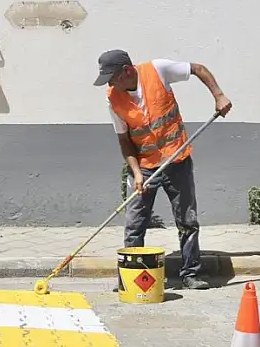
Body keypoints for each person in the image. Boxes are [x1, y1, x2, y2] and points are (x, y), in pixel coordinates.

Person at [93, 49, 232, 291]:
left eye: (113, 77)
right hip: (144, 166)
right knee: (135, 223)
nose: (111, 84)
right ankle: (130, 279)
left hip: (177, 159)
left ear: (126, 71)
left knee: (187, 220)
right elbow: (124, 140)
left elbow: (198, 68)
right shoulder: (113, 99)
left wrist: (219, 96)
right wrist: (136, 173)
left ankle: (190, 273)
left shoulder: (157, 69)